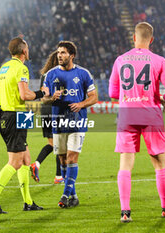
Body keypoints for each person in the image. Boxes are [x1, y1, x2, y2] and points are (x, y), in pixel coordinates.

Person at [108, 22, 165, 223]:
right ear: (152, 39)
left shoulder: (120, 60)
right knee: (158, 162)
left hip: (127, 116)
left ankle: (125, 212)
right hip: (150, 116)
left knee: (125, 165)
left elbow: (113, 93)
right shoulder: (159, 61)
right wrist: (161, 99)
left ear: (134, 38)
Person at [0, 37, 48, 214]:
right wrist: (42, 93)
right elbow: (24, 95)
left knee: (26, 159)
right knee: (16, 162)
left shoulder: (4, 67)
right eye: (27, 47)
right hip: (15, 115)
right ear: (24, 51)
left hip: (10, 113)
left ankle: (28, 202)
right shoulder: (21, 68)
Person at [43, 41, 98, 208]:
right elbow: (44, 98)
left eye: (64, 53)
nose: (60, 55)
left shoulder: (83, 73)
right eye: (59, 52)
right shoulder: (50, 75)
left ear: (72, 55)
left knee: (72, 157)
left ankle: (65, 195)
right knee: (62, 159)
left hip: (77, 121)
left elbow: (94, 97)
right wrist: (51, 97)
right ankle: (73, 196)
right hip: (58, 121)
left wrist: (81, 104)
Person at [30, 50, 64, 184]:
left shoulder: (45, 75)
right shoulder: (61, 74)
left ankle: (37, 164)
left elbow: (43, 95)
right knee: (60, 144)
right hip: (56, 110)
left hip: (45, 110)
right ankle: (58, 176)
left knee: (52, 143)